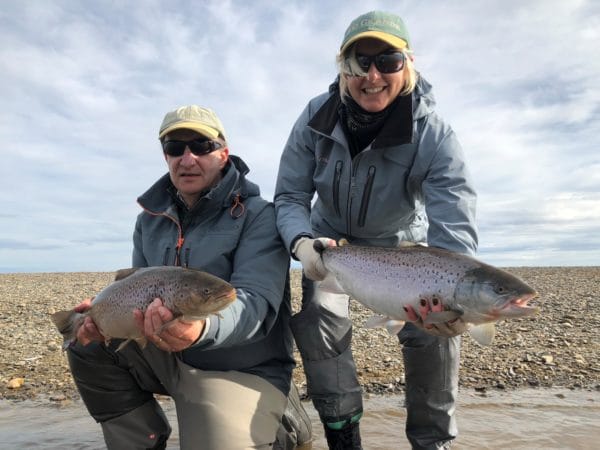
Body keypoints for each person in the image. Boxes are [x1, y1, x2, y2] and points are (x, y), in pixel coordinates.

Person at [274, 10, 478, 450]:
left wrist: (454, 295)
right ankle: (343, 437)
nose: (372, 75)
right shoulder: (315, 118)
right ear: (343, 67)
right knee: (319, 325)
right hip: (331, 248)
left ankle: (433, 442)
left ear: (407, 65)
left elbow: (454, 223)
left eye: (387, 61)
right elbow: (290, 196)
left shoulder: (435, 136)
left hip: (403, 248)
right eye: (359, 61)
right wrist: (302, 242)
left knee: (433, 334)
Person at [67, 105, 311, 449]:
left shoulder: (260, 216)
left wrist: (201, 329)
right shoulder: (149, 220)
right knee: (84, 344)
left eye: (201, 146)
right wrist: (103, 319)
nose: (187, 158)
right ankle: (141, 441)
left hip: (240, 368)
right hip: (168, 355)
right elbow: (136, 287)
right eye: (175, 147)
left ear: (223, 154)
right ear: (166, 156)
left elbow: (256, 304)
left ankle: (283, 417)